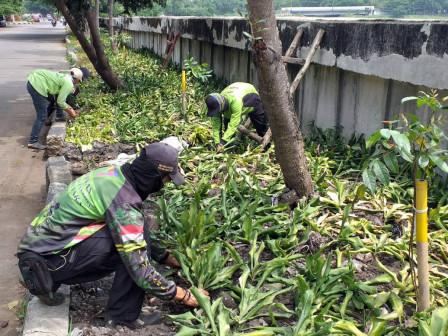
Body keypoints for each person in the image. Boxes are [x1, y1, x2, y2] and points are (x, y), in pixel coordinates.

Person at [17, 142, 210, 330]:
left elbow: (132, 227)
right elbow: (140, 269)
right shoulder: (122, 200)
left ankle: (48, 285)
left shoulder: (113, 175)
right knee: (129, 249)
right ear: (153, 175)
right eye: (166, 179)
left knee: (133, 231)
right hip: (45, 265)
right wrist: (182, 294)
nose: (165, 184)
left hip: (38, 253)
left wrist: (165, 257)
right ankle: (122, 317)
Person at [26, 67, 89, 150]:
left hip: (34, 79)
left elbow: (58, 97)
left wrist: (61, 114)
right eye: (79, 81)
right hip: (37, 84)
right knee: (41, 115)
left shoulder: (64, 75)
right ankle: (33, 141)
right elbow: (61, 102)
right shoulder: (69, 84)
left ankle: (58, 116)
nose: (78, 83)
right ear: (76, 79)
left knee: (44, 112)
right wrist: (71, 112)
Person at [205, 82, 269, 151]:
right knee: (227, 130)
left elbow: (233, 124)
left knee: (261, 127)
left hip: (251, 98)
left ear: (222, 106)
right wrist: (218, 142)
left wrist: (222, 142)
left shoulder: (236, 102)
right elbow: (216, 124)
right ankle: (230, 151)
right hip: (233, 98)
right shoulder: (216, 104)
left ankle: (266, 149)